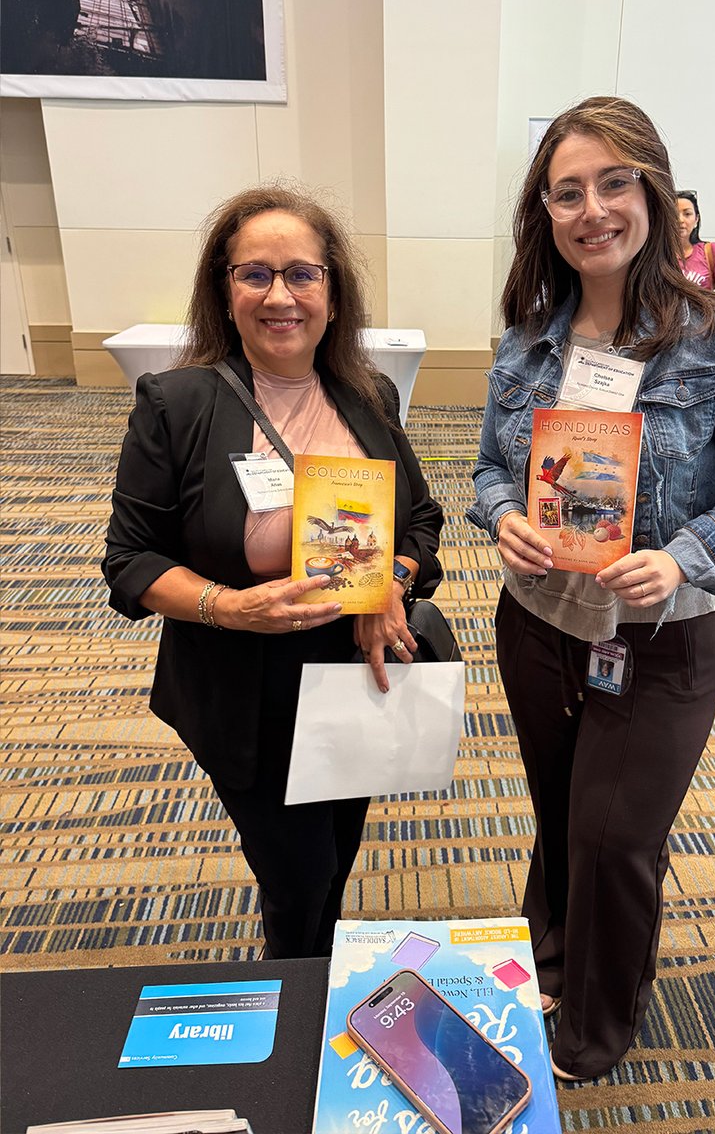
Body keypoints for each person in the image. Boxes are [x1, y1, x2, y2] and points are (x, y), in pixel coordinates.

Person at [468, 97, 715, 1081]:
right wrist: (504, 519)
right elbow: (491, 469)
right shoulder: (529, 341)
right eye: (567, 192)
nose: (592, 209)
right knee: (561, 810)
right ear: (546, 214)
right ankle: (552, 955)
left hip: (663, 633)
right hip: (538, 623)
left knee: (616, 840)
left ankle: (596, 1025)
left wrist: (688, 552)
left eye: (614, 182)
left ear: (653, 191)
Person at [102, 184, 444, 959]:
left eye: (303, 274)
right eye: (254, 274)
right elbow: (130, 559)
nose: (280, 296)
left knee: (335, 862)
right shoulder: (177, 404)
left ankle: (316, 989)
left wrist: (387, 581)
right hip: (243, 687)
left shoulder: (369, 395)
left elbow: (420, 518)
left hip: (360, 673)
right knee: (297, 877)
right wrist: (230, 606)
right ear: (225, 292)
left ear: (332, 290)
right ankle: (298, 1010)